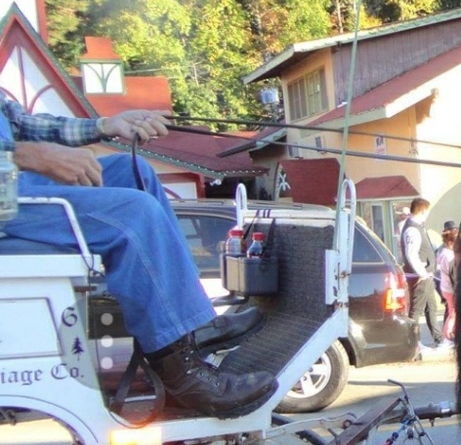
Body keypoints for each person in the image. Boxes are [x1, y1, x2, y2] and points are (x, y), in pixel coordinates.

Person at [0, 98, 275, 418]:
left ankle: (191, 329)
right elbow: (22, 148)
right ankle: (182, 377)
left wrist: (106, 125)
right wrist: (22, 153)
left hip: (13, 182)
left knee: (133, 171)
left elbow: (23, 125)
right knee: (135, 213)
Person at [399, 197, 446, 348]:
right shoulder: (412, 229)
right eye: (427, 212)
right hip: (421, 276)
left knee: (431, 307)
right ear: (423, 211)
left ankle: (438, 339)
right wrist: (422, 273)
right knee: (416, 310)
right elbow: (411, 254)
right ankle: (412, 343)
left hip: (427, 275)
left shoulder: (417, 227)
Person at [435, 221, 458, 341]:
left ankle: (448, 335)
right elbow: (453, 276)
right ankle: (447, 336)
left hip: (444, 287)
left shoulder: (442, 251)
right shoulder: (449, 255)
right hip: (449, 288)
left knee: (451, 312)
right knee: (453, 313)